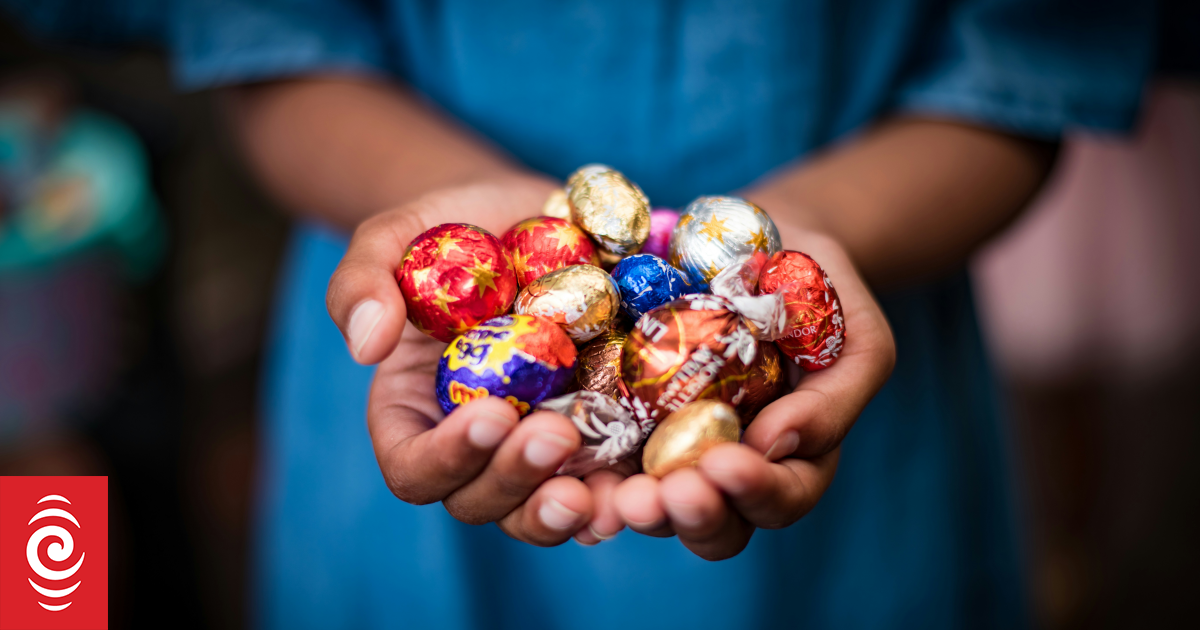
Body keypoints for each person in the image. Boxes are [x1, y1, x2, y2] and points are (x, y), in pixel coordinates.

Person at [171, 1, 1153, 628]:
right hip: (423, 450)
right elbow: (266, 45)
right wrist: (464, 205)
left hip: (875, 435)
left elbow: (1024, 79)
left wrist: (817, 231)